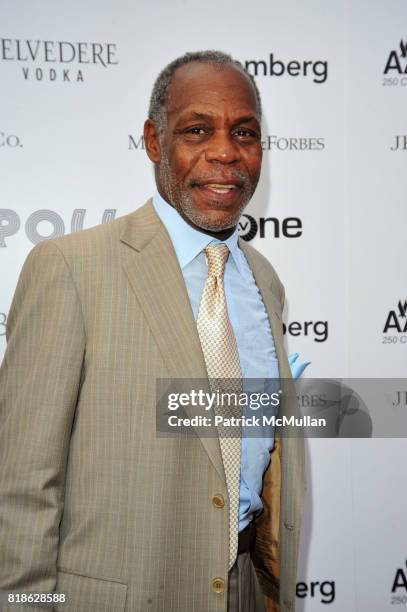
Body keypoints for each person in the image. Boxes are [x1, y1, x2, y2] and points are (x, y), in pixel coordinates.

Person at [0, 50, 305, 612]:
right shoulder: (71, 267)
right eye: (196, 130)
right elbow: (21, 487)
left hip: (246, 589)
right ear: (154, 141)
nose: (225, 152)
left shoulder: (264, 280)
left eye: (244, 133)